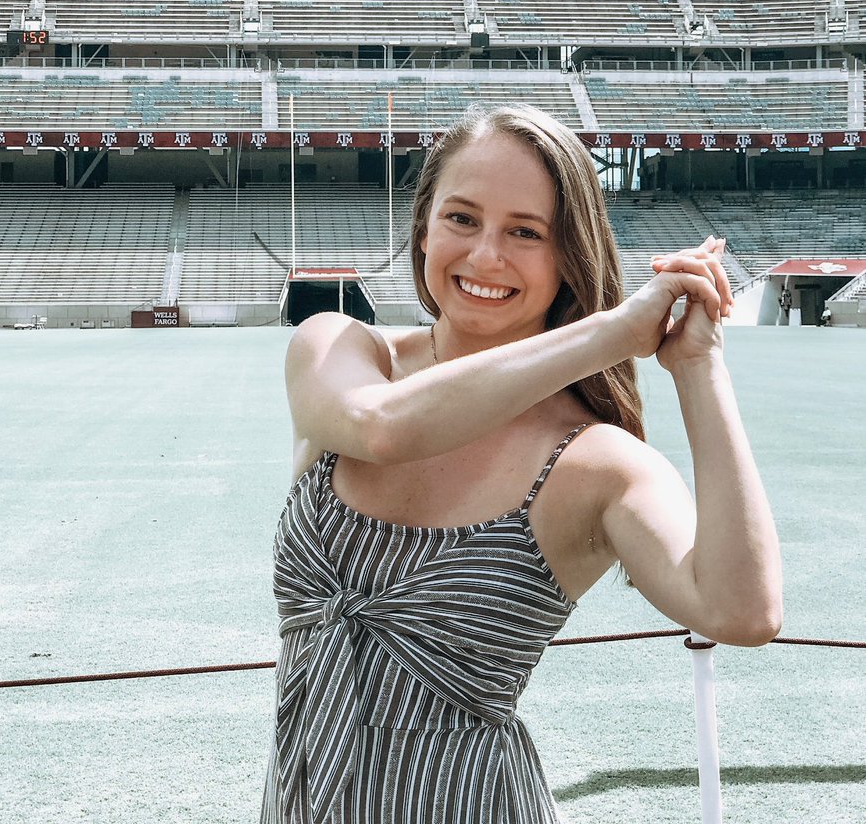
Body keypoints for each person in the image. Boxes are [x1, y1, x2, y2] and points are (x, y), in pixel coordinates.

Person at [261, 104, 782, 824]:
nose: (483, 257)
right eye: (461, 219)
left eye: (524, 233)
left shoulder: (594, 461)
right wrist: (609, 335)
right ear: (422, 227)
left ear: (569, 256)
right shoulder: (341, 351)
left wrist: (696, 368)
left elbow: (740, 610)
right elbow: (381, 429)